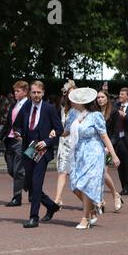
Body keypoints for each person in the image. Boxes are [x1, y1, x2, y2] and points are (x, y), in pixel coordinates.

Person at [63, 88, 120, 229]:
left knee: (87, 184)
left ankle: (85, 218)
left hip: (94, 153)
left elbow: (104, 136)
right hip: (78, 152)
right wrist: (52, 132)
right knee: (75, 185)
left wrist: (113, 155)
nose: (72, 102)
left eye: (74, 100)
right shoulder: (72, 115)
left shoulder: (96, 116)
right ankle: (93, 209)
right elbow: (65, 132)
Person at [13, 81, 63, 228]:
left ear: (43, 93)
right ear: (30, 93)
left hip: (42, 150)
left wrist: (47, 141)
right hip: (29, 150)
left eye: (39, 93)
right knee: (28, 184)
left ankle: (33, 217)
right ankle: (51, 206)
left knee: (36, 183)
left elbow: (59, 129)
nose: (36, 95)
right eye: (34, 92)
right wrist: (19, 132)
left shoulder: (49, 109)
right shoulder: (26, 106)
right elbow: (17, 124)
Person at [0, 81, 28, 206]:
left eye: (18, 91)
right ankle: (29, 183)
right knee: (11, 169)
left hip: (21, 141)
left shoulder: (29, 105)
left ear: (25, 92)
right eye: (15, 91)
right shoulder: (14, 105)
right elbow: (8, 124)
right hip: (9, 140)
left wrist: (24, 136)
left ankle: (16, 198)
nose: (15, 93)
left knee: (18, 170)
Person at [95, 90, 123, 212]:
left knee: (102, 172)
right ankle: (103, 198)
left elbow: (116, 133)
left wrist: (108, 147)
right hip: (96, 146)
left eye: (102, 97)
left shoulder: (114, 112)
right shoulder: (94, 112)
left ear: (107, 98)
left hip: (109, 146)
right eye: (98, 98)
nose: (100, 99)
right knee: (98, 174)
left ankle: (113, 195)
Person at [53, 80, 78, 208]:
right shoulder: (64, 109)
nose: (70, 96)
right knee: (62, 171)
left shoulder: (82, 109)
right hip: (64, 142)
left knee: (77, 175)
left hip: (77, 144)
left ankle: (96, 199)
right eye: (69, 94)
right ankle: (58, 199)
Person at [115, 87, 128, 195]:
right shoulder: (116, 107)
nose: (120, 96)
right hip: (118, 139)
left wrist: (125, 115)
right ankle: (124, 186)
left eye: (122, 94)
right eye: (120, 94)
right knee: (120, 164)